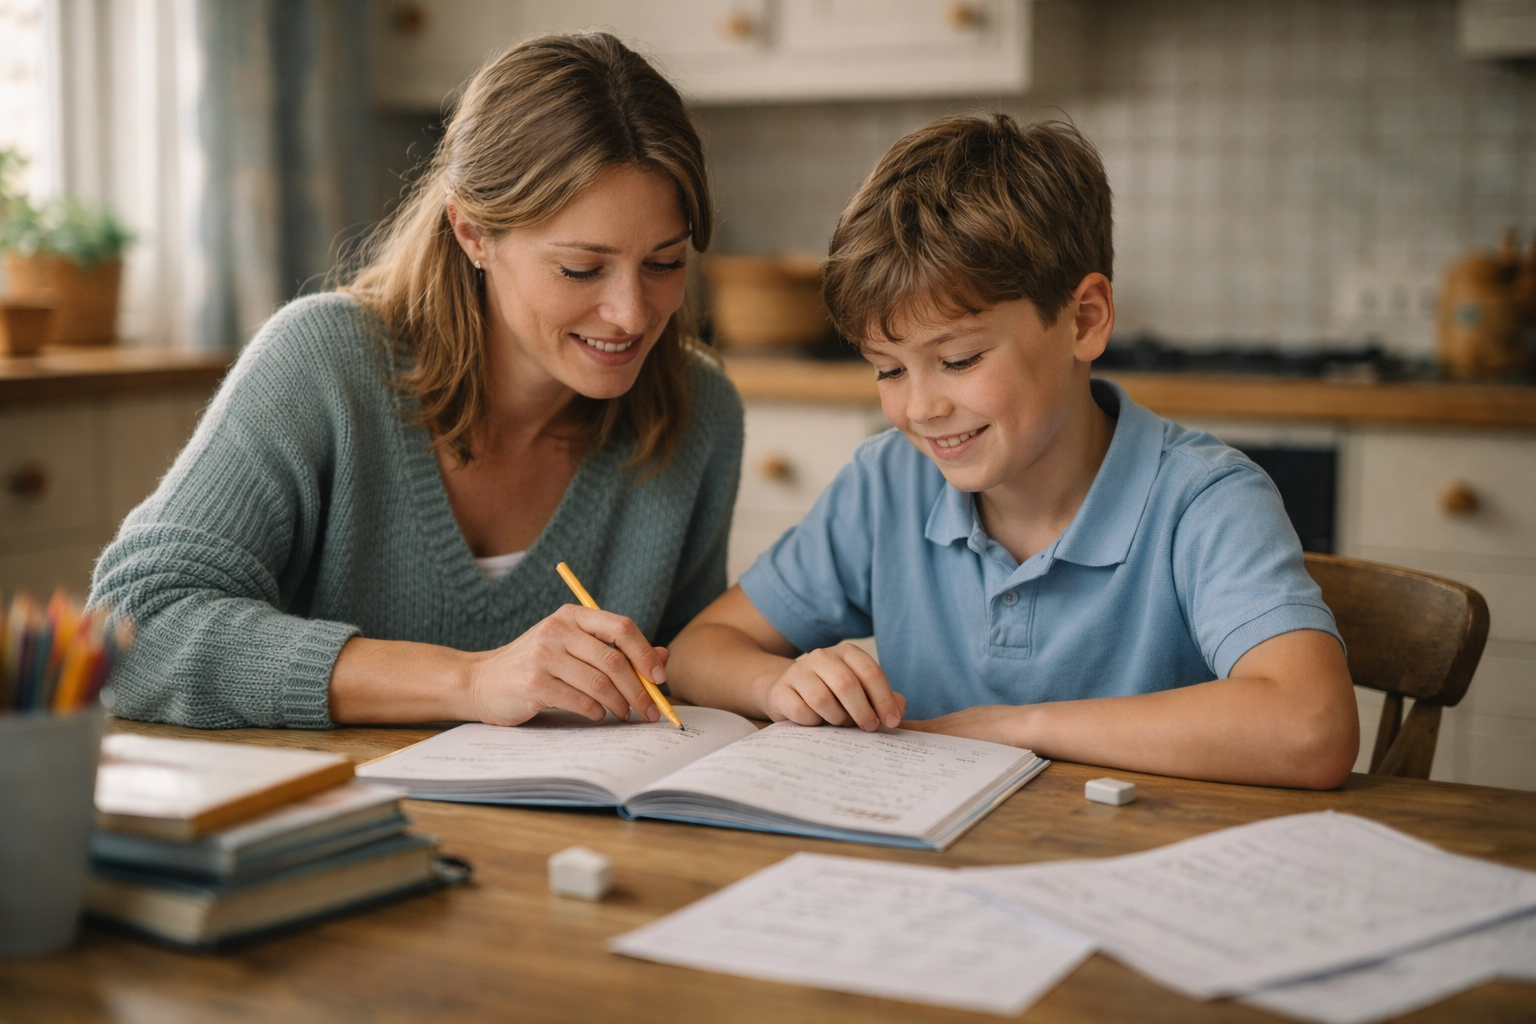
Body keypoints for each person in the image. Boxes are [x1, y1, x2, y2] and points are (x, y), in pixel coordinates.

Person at [668, 114, 1358, 790]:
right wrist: (780, 682)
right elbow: (700, 651)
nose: (920, 408)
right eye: (887, 369)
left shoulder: (1204, 501)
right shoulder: (889, 484)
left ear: (1084, 320)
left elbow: (1311, 726)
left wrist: (1016, 730)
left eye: (960, 359)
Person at [92, 33, 742, 731]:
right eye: (582, 269)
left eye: (665, 263)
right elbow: (133, 630)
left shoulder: (699, 411)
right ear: (471, 233)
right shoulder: (321, 365)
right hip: (328, 828)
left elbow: (685, 683)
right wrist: (469, 681)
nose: (632, 314)